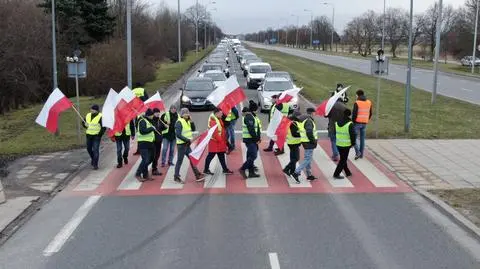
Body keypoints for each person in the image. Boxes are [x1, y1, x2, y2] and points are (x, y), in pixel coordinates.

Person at [174, 108, 205, 183]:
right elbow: (178, 134)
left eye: (187, 113)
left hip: (187, 145)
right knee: (179, 161)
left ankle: (197, 174)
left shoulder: (187, 121)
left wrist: (191, 121)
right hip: (181, 145)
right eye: (185, 113)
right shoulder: (179, 122)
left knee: (192, 159)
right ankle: (176, 176)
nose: (187, 114)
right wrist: (187, 140)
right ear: (182, 114)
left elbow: (193, 129)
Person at [204, 108, 234, 175]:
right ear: (216, 113)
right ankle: (206, 169)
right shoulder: (213, 120)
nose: (222, 114)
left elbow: (221, 127)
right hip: (215, 142)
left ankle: (225, 169)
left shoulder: (217, 118)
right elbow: (215, 133)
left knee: (221, 155)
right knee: (211, 156)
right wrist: (222, 141)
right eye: (221, 113)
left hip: (218, 141)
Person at [291, 107, 318, 182]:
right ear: (312, 113)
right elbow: (309, 132)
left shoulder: (304, 119)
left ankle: (309, 175)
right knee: (307, 159)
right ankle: (296, 173)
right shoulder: (308, 121)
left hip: (305, 141)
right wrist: (313, 141)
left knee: (308, 158)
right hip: (309, 142)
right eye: (314, 113)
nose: (315, 114)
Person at [239, 101, 262, 179]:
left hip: (252, 139)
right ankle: (242, 169)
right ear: (254, 110)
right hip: (250, 140)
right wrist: (256, 139)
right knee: (253, 155)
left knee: (250, 155)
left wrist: (258, 138)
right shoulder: (249, 117)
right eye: (256, 109)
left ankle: (251, 172)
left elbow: (257, 128)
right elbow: (251, 129)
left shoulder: (252, 116)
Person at [333, 109, 356, 179]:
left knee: (343, 158)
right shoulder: (350, 124)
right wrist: (353, 143)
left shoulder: (337, 123)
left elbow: (334, 132)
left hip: (338, 144)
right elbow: (353, 135)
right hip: (346, 145)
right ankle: (336, 174)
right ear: (349, 115)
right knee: (343, 160)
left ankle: (347, 172)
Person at [83, 104, 105, 170]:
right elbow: (83, 122)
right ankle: (93, 159)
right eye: (91, 109)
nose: (91, 110)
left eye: (93, 109)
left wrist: (99, 134)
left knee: (95, 150)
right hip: (89, 135)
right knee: (89, 149)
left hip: (96, 136)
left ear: (96, 110)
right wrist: (84, 125)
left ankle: (95, 164)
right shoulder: (88, 115)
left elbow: (103, 127)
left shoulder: (100, 117)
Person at [135, 109, 155, 182]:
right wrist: (151, 128)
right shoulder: (142, 121)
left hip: (150, 142)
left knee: (151, 158)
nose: (153, 116)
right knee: (145, 160)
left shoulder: (148, 120)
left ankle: (145, 174)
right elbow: (142, 131)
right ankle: (138, 174)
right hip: (143, 143)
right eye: (152, 115)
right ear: (149, 115)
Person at [352, 89, 372, 160]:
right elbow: (370, 113)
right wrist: (366, 119)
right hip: (364, 123)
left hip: (357, 123)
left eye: (356, 95)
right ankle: (361, 154)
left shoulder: (357, 103)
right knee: (362, 139)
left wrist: (353, 122)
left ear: (358, 95)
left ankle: (357, 152)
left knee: (353, 139)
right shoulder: (369, 102)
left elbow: (354, 114)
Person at [283, 111, 302, 182]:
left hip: (291, 142)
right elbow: (295, 134)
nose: (300, 117)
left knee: (293, 158)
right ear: (297, 116)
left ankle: (291, 171)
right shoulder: (293, 123)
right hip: (294, 143)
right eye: (299, 116)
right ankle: (287, 169)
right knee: (296, 158)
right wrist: (302, 135)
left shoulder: (291, 122)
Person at [326, 98, 347, 162]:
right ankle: (337, 153)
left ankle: (335, 154)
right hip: (341, 127)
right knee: (339, 141)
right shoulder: (345, 107)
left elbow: (326, 115)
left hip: (332, 126)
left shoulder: (331, 106)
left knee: (333, 141)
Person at [151, 108, 168, 176]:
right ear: (153, 113)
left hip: (159, 140)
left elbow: (161, 128)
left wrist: (165, 126)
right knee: (153, 156)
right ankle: (148, 169)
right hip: (153, 141)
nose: (158, 113)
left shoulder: (160, 120)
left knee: (157, 155)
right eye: (156, 112)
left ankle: (154, 169)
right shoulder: (151, 120)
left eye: (158, 112)